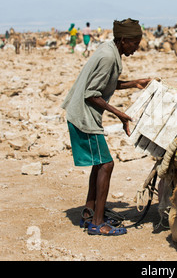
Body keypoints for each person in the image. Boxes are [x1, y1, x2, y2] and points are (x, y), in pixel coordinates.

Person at [61, 18, 151, 236]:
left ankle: (89, 211)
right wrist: (121, 115)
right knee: (107, 165)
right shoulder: (109, 56)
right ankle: (98, 223)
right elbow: (91, 93)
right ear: (123, 40)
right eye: (135, 42)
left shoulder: (110, 50)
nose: (137, 47)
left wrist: (135, 83)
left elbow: (106, 83)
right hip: (84, 116)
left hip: (84, 113)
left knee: (99, 163)